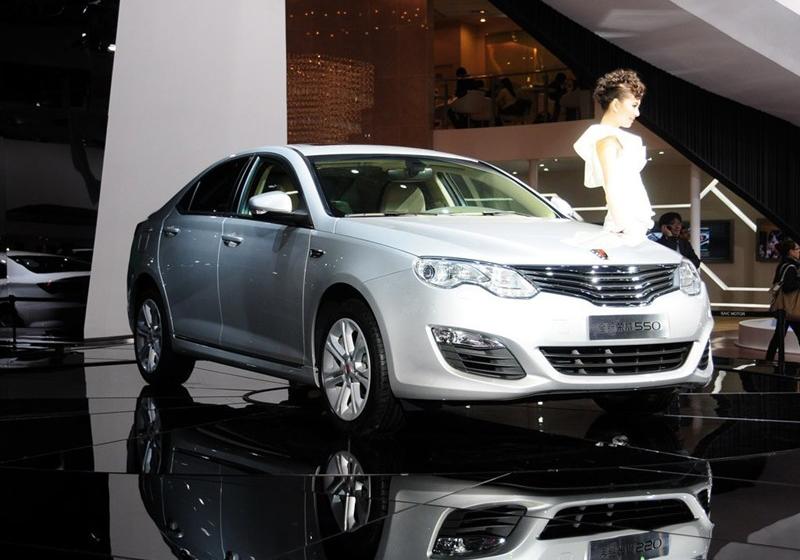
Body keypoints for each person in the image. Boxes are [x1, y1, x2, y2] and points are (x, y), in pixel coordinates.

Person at [573, 68, 653, 245]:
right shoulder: (606, 139)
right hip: (625, 225)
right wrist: (623, 225)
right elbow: (611, 186)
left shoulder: (612, 138)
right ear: (616, 105)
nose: (637, 113)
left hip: (630, 224)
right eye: (634, 105)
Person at [765, 238, 800, 361]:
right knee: (779, 336)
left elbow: (777, 283)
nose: (799, 251)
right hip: (790, 308)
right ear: (790, 251)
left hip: (784, 309)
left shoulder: (783, 265)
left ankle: (768, 360)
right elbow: (788, 287)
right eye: (797, 249)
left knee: (778, 336)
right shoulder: (791, 267)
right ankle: (769, 360)